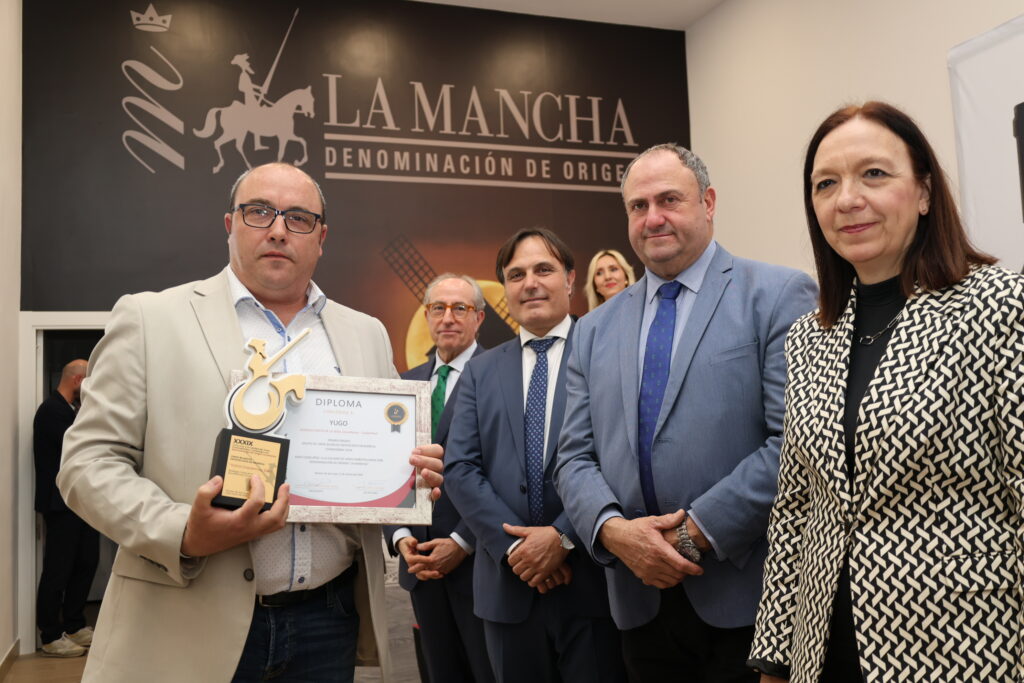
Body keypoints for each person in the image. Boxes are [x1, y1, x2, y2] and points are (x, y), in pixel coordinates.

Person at [57, 162, 445, 683]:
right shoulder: (151, 318)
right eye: (259, 211)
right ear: (230, 225)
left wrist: (410, 471)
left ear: (321, 238)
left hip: (327, 621)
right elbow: (86, 464)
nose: (279, 229)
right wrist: (182, 531)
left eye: (299, 218)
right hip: (186, 618)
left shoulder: (366, 332)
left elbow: (386, 455)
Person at [748, 102, 1024, 682]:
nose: (848, 199)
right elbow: (798, 507)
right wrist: (774, 658)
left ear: (924, 192)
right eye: (826, 183)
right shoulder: (809, 337)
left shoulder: (999, 306)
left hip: (967, 649)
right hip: (825, 652)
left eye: (873, 174)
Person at [553, 143, 818, 682]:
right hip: (638, 601)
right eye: (638, 206)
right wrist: (614, 532)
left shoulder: (777, 295)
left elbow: (794, 442)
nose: (653, 218)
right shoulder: (595, 328)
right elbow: (572, 457)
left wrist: (693, 533)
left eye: (669, 200)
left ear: (709, 202)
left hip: (749, 597)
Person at [445, 228, 626, 683]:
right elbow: (460, 468)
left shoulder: (611, 352)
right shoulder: (480, 371)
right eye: (516, 274)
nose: (530, 283)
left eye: (543, 270)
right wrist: (517, 550)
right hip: (508, 590)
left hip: (594, 586)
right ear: (505, 289)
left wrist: (561, 538)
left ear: (570, 278)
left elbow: (621, 457)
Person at [384, 273, 494, 683]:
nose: (448, 318)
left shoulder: (501, 377)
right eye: (438, 308)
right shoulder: (404, 384)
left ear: (479, 317)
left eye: (460, 308)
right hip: (420, 568)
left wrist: (462, 542)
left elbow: (506, 473)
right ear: (427, 315)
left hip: (481, 565)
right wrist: (400, 538)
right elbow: (389, 471)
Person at [34, 359, 97, 658]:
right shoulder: (51, 411)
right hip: (60, 504)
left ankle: (74, 625)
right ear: (78, 381)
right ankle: (50, 635)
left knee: (86, 562)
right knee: (58, 571)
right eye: (90, 381)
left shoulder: (71, 410)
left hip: (81, 503)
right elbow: (77, 450)